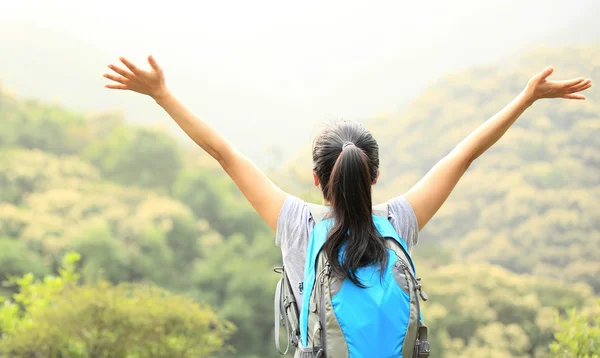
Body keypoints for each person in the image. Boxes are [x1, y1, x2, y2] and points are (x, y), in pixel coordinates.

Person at [103, 56, 592, 356]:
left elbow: (226, 155)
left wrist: (162, 95)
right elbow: (461, 157)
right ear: (374, 176)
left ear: (318, 179)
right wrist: (525, 98)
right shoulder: (398, 221)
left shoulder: (296, 224)